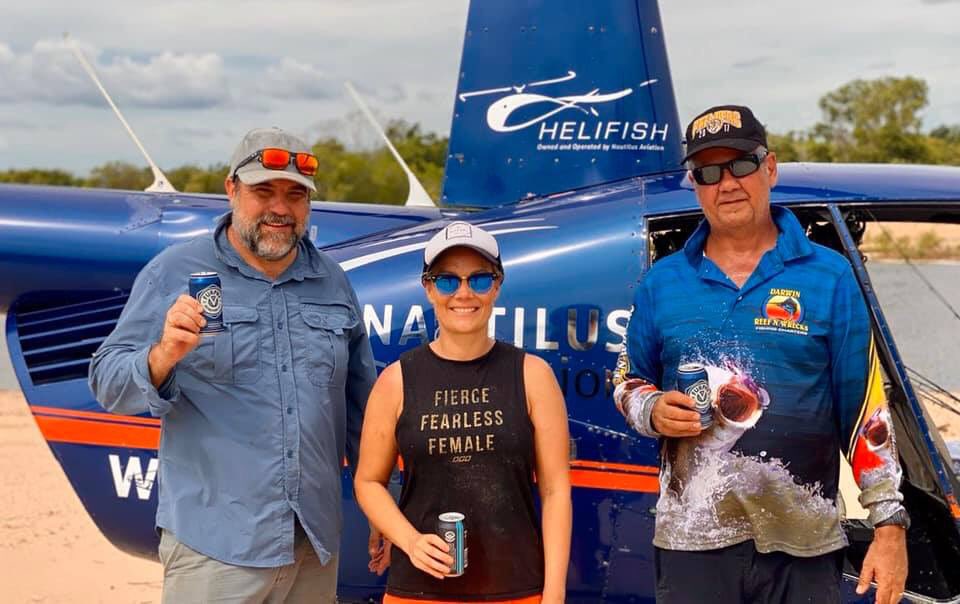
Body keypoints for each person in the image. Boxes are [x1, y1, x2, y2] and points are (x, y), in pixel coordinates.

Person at [612, 105, 909, 604]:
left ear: (769, 167)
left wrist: (889, 526)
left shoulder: (830, 275)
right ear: (695, 184)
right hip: (693, 544)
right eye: (708, 171)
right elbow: (625, 381)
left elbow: (865, 413)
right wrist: (652, 409)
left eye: (741, 165)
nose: (726, 183)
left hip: (805, 545)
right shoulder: (662, 282)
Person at [89, 127, 377, 603]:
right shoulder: (174, 271)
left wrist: (378, 508)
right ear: (231, 190)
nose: (280, 209)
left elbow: (362, 411)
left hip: (313, 545)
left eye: (295, 195)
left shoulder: (332, 281)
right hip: (215, 548)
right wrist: (163, 355)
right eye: (264, 191)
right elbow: (107, 382)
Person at [354, 221, 572, 603]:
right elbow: (368, 482)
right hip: (419, 592)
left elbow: (555, 491)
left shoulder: (533, 376)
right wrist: (409, 540)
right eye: (447, 281)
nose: (464, 293)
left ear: (498, 286)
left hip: (515, 590)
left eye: (480, 280)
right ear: (428, 288)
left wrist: (554, 593)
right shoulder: (397, 380)